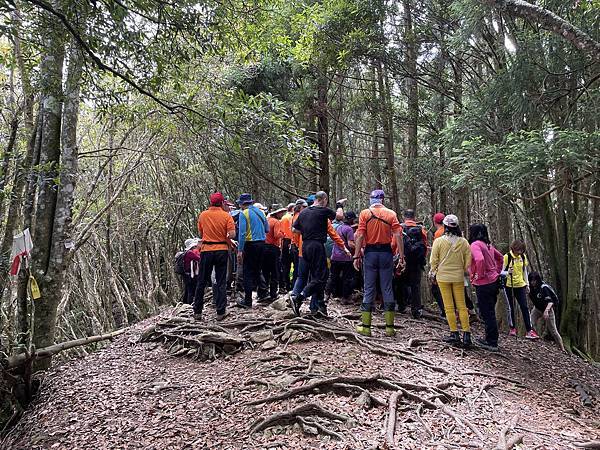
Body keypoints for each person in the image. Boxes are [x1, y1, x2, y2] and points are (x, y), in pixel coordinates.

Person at [353, 190, 404, 337]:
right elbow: (398, 235)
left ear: (372, 199)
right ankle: (389, 328)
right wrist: (401, 256)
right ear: (382, 200)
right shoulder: (391, 214)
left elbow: (360, 235)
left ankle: (366, 328)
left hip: (370, 253)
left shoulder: (365, 214)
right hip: (386, 253)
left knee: (369, 288)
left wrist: (356, 256)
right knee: (387, 288)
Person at [291, 191, 350, 317]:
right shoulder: (322, 211)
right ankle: (299, 297)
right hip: (316, 246)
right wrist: (339, 204)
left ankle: (318, 306)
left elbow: (294, 229)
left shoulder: (304, 212)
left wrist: (309, 228)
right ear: (324, 199)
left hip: (305, 246)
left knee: (314, 276)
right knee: (321, 277)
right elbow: (339, 216)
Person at [429, 214, 472, 347]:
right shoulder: (463, 242)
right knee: (462, 306)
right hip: (458, 277)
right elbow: (468, 261)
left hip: (443, 277)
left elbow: (433, 260)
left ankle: (454, 333)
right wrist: (461, 268)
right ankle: (466, 335)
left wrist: (433, 271)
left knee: (449, 307)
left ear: (445, 226)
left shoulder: (439, 241)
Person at [194, 192, 236, 321]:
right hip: (221, 250)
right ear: (222, 202)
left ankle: (197, 312)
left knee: (201, 281)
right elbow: (232, 234)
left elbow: (201, 232)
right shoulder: (226, 216)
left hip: (206, 249)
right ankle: (220, 312)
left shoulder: (203, 215)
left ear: (211, 202)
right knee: (221, 280)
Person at [468, 224, 503, 351]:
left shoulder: (475, 245)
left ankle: (491, 342)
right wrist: (496, 272)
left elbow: (480, 260)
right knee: (489, 312)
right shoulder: (488, 245)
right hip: (493, 282)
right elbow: (500, 258)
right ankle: (490, 338)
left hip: (484, 284)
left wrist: (479, 275)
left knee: (487, 313)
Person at [236, 193, 269, 308]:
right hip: (262, 244)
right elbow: (267, 229)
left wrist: (240, 251)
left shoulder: (243, 213)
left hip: (250, 245)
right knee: (257, 269)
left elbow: (242, 233)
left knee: (247, 273)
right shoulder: (261, 212)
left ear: (242, 203)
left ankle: (248, 301)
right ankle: (264, 292)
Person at [503, 240, 539, 339]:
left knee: (524, 307)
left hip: (520, 285)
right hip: (509, 285)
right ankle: (512, 328)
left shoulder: (523, 257)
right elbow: (500, 272)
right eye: (518, 250)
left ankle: (529, 330)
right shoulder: (507, 257)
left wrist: (527, 284)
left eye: (521, 250)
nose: (519, 252)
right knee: (511, 307)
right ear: (514, 248)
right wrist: (507, 272)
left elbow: (524, 271)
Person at [397, 209, 428, 318]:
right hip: (416, 262)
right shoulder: (421, 229)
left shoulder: (399, 228)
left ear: (404, 217)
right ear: (414, 217)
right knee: (415, 286)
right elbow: (425, 244)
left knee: (400, 283)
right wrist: (422, 257)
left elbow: (394, 244)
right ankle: (416, 310)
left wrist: (397, 257)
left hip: (403, 260)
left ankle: (401, 306)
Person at [528, 272, 565, 352]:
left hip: (548, 309)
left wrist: (546, 311)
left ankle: (562, 349)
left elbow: (550, 302)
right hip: (537, 308)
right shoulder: (530, 289)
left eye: (534, 280)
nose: (533, 282)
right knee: (530, 322)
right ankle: (534, 339)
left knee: (553, 331)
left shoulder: (543, 288)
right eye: (531, 280)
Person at [325, 211, 357, 304]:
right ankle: (345, 298)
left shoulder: (338, 227)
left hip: (334, 256)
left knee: (333, 276)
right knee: (347, 278)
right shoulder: (349, 229)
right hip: (346, 258)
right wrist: (360, 248)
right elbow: (351, 244)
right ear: (351, 219)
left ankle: (326, 295)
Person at [262, 206, 286, 302]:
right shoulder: (276, 222)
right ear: (277, 213)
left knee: (265, 271)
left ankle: (263, 293)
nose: (282, 214)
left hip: (264, 247)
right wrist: (283, 234)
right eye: (281, 212)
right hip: (273, 248)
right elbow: (276, 235)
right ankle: (273, 293)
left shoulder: (266, 220)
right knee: (275, 271)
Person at [430, 212, 446, 317]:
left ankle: (445, 311)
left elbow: (437, 251)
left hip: (441, 265)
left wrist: (433, 269)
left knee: (436, 289)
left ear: (435, 222)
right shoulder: (450, 231)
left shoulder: (438, 233)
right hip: (451, 265)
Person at [279, 203, 295, 292]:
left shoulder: (283, 218)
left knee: (285, 265)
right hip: (291, 242)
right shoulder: (292, 218)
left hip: (284, 242)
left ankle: (285, 284)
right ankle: (292, 285)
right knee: (295, 264)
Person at [182, 238, 200, 305]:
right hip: (189, 274)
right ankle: (190, 303)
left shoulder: (186, 252)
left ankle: (185, 302)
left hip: (186, 273)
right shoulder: (190, 253)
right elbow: (198, 258)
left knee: (187, 288)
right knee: (191, 289)